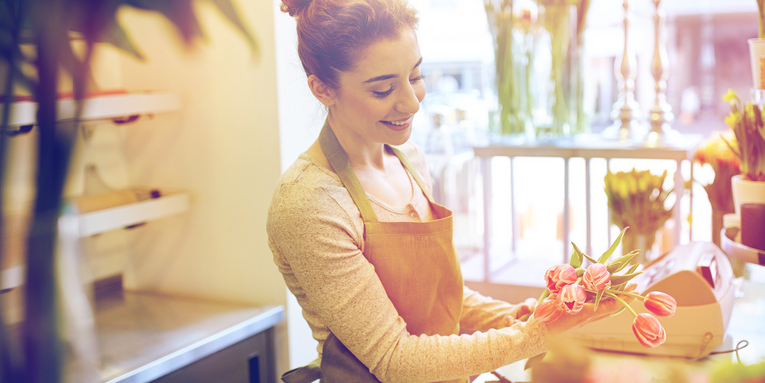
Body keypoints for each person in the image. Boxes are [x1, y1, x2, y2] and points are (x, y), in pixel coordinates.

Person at [267, 0, 624, 382]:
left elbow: (440, 300)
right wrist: (532, 335)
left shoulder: (408, 158)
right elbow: (395, 359)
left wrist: (514, 317)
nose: (411, 102)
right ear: (322, 88)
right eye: (384, 89)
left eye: (416, 76)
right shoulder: (308, 205)